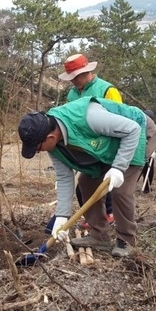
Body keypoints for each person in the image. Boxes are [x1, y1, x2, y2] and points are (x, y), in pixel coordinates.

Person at [19, 96, 153, 257]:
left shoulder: (90, 117)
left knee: (120, 190)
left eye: (37, 148)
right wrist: (62, 216)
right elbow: (64, 177)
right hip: (108, 146)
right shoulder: (53, 146)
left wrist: (118, 168)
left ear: (50, 137)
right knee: (86, 182)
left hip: (139, 133)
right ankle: (99, 235)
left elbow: (132, 129)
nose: (38, 151)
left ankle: (127, 239)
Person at [58, 53, 123, 219]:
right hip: (86, 146)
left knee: (104, 183)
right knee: (84, 185)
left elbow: (120, 120)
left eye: (76, 77)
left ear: (86, 72)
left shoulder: (107, 90)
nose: (73, 81)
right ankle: (93, 218)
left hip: (107, 145)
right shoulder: (72, 95)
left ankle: (109, 214)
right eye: (71, 78)